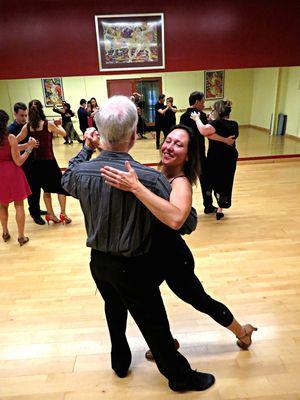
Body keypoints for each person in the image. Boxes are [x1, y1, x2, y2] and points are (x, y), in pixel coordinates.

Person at [62, 95, 215, 393]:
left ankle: (120, 362)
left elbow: (67, 179)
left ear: (100, 133)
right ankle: (180, 377)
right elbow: (185, 224)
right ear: (134, 136)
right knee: (155, 324)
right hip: (133, 267)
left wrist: (86, 148)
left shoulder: (81, 173)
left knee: (113, 307)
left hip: (98, 264)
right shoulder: (149, 178)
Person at [101, 123, 257, 359]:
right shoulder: (160, 172)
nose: (170, 147)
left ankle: (242, 331)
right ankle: (165, 343)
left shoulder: (181, 182)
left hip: (173, 259)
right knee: (148, 303)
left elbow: (175, 219)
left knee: (201, 301)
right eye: (169, 140)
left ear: (188, 155)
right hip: (149, 255)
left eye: (179, 144)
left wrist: (136, 187)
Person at [180, 91, 235, 214]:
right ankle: (208, 206)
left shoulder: (183, 117)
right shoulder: (202, 115)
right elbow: (208, 132)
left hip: (187, 154)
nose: (204, 104)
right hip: (200, 154)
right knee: (206, 182)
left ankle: (183, 208)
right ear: (197, 102)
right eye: (203, 102)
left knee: (185, 181)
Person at [17, 99, 72, 224]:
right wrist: (57, 124)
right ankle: (63, 213)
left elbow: (15, 140)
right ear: (41, 110)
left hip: (37, 164)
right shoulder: (48, 124)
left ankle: (51, 215)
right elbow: (64, 133)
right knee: (61, 188)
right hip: (50, 162)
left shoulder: (27, 127)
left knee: (46, 190)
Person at [191, 99, 239, 220]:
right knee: (225, 181)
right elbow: (211, 134)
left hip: (217, 157)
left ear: (217, 111)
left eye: (212, 110)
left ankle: (215, 203)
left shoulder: (216, 124)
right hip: (230, 157)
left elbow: (203, 131)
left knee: (212, 179)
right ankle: (220, 208)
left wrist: (197, 119)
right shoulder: (234, 124)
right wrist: (224, 140)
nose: (211, 112)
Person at [0, 110, 38, 246]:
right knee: (19, 205)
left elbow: (14, 148)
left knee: (2, 206)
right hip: (12, 174)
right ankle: (21, 236)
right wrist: (29, 149)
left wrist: (27, 145)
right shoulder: (9, 137)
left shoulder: (9, 139)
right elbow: (18, 160)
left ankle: (5, 232)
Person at [8, 102, 47, 225]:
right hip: (21, 164)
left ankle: (36, 209)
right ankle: (34, 213)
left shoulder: (29, 125)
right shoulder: (11, 130)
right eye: (21, 115)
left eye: (26, 115)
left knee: (37, 187)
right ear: (15, 114)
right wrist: (28, 146)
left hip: (33, 161)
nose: (24, 118)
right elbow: (11, 148)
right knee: (32, 189)